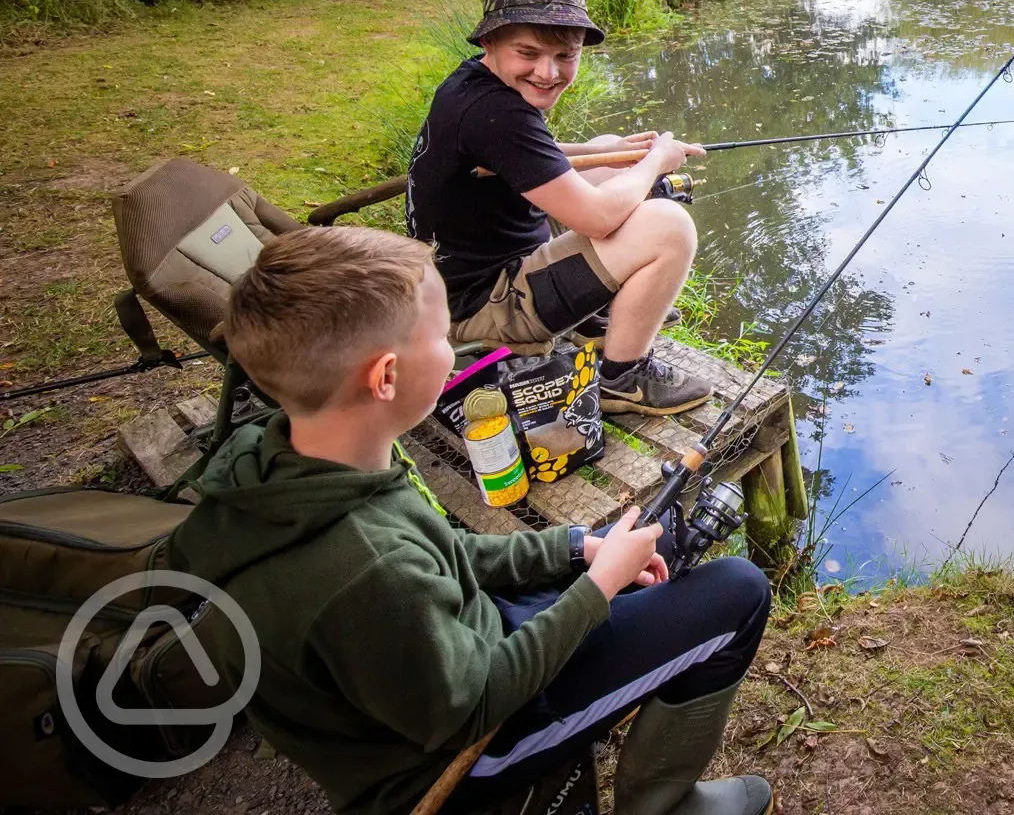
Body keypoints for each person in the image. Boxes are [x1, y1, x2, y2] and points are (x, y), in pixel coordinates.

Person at [167, 226, 774, 815]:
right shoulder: (366, 569)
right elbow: (476, 701)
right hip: (454, 757)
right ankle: (665, 805)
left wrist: (576, 548)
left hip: (451, 651)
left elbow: (446, 555)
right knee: (739, 593)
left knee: (653, 533)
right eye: (439, 335)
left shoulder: (305, 460)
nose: (456, 349)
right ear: (386, 377)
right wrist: (599, 589)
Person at [407, 0, 712, 415]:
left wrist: (606, 153)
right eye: (528, 54)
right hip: (479, 307)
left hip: (457, 281)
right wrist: (653, 163)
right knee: (670, 227)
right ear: (490, 40)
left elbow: (518, 153)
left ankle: (595, 319)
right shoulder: (497, 114)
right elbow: (598, 217)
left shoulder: (474, 85)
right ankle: (622, 377)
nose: (548, 73)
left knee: (606, 149)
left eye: (565, 56)